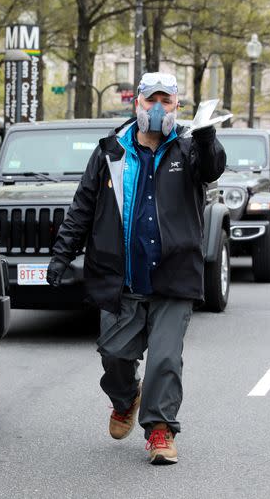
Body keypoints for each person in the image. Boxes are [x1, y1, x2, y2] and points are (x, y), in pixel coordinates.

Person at [46, 72, 226, 465]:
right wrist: (61, 255)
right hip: (121, 277)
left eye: (166, 101)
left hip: (173, 277)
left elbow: (211, 168)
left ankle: (160, 431)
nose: (158, 108)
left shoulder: (188, 148)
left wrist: (207, 136)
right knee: (113, 356)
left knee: (164, 359)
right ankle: (125, 398)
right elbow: (83, 207)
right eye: (150, 101)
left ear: (177, 107)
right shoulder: (111, 151)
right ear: (137, 104)